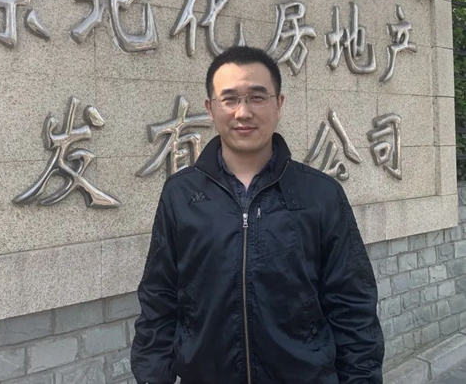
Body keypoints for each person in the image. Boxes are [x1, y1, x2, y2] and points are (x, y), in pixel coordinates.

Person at [131, 46, 384, 384]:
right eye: (229, 99)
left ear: (279, 104)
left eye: (257, 97)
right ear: (210, 108)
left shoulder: (320, 194)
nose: (243, 112)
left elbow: (352, 305)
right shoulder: (181, 194)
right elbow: (159, 298)